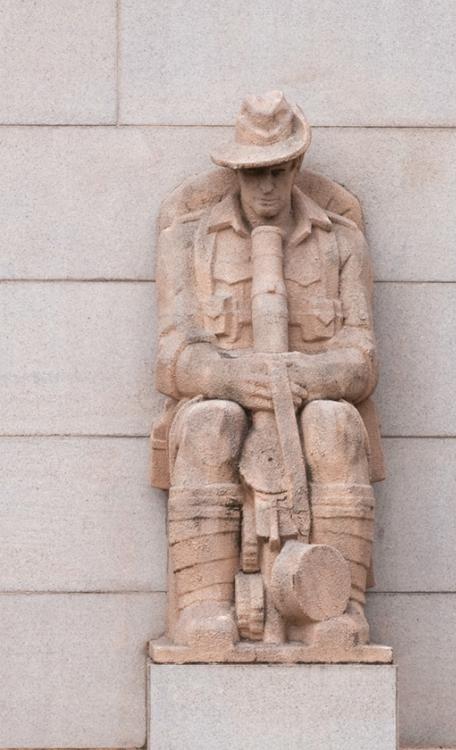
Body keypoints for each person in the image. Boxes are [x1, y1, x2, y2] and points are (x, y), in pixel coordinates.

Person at [153, 91, 384, 653]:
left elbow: (361, 357)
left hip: (305, 398)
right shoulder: (189, 239)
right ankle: (204, 607)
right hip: (224, 396)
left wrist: (307, 379)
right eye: (252, 173)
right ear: (234, 170)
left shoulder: (340, 241)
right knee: (212, 423)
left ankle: (334, 606)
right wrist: (231, 377)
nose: (265, 189)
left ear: (295, 167)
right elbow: (171, 355)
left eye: (277, 172)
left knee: (336, 424)